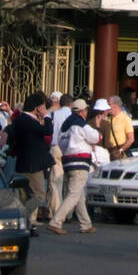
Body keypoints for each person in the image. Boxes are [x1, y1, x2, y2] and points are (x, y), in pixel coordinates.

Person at [47, 98, 100, 235]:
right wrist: (98, 127)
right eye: (86, 110)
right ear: (83, 111)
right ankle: (56, 221)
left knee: (79, 195)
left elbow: (60, 142)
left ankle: (86, 224)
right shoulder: (81, 124)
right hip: (80, 162)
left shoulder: (66, 124)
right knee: (73, 194)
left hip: (68, 161)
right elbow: (96, 138)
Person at [11, 92, 53, 236]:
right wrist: (46, 116)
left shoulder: (20, 119)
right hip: (32, 165)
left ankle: (27, 225)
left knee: (26, 196)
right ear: (37, 107)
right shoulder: (28, 120)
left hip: (24, 162)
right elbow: (47, 131)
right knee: (38, 195)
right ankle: (21, 219)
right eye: (42, 106)